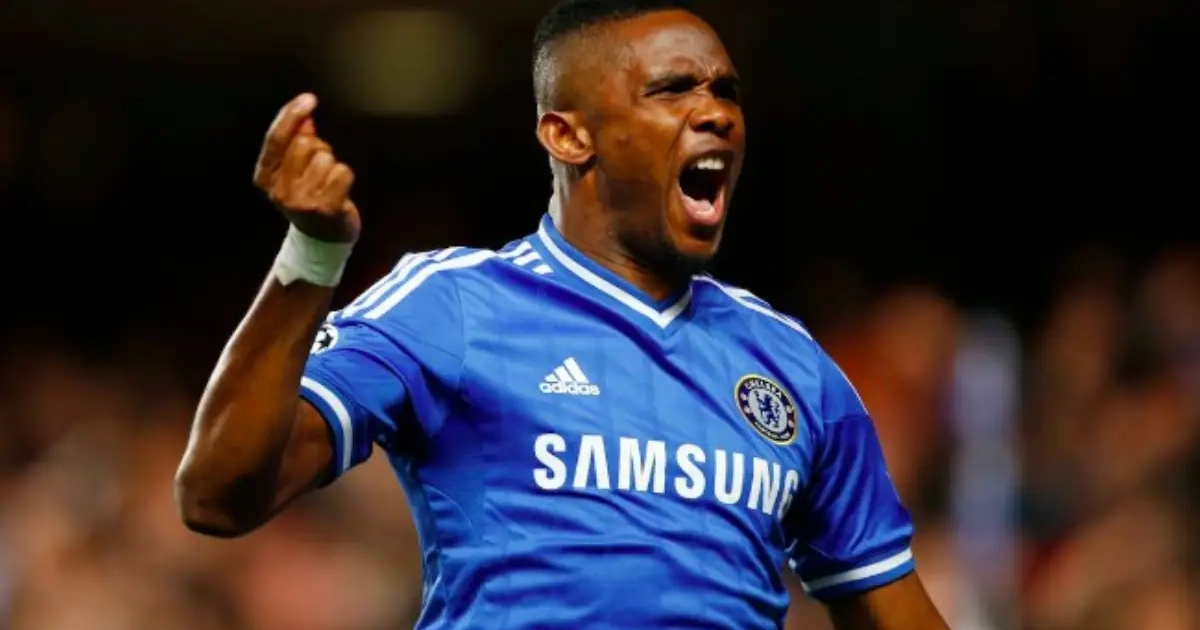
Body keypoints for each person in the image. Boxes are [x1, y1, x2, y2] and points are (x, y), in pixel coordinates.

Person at [175, 1, 949, 628]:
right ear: (568, 134)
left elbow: (888, 601)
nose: (715, 112)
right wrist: (312, 256)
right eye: (674, 89)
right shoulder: (453, 305)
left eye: (726, 92)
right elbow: (217, 495)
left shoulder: (792, 366)